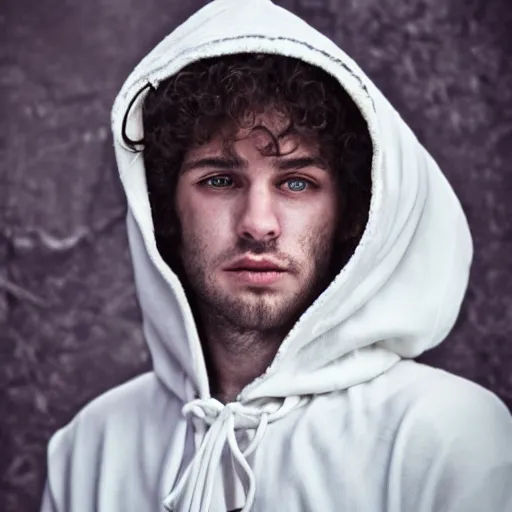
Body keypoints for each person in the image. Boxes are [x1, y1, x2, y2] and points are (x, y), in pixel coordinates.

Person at [41, 0, 512, 511]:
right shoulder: (89, 447)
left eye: (296, 182)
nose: (258, 224)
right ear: (165, 208)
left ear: (352, 213)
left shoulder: (447, 436)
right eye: (219, 180)